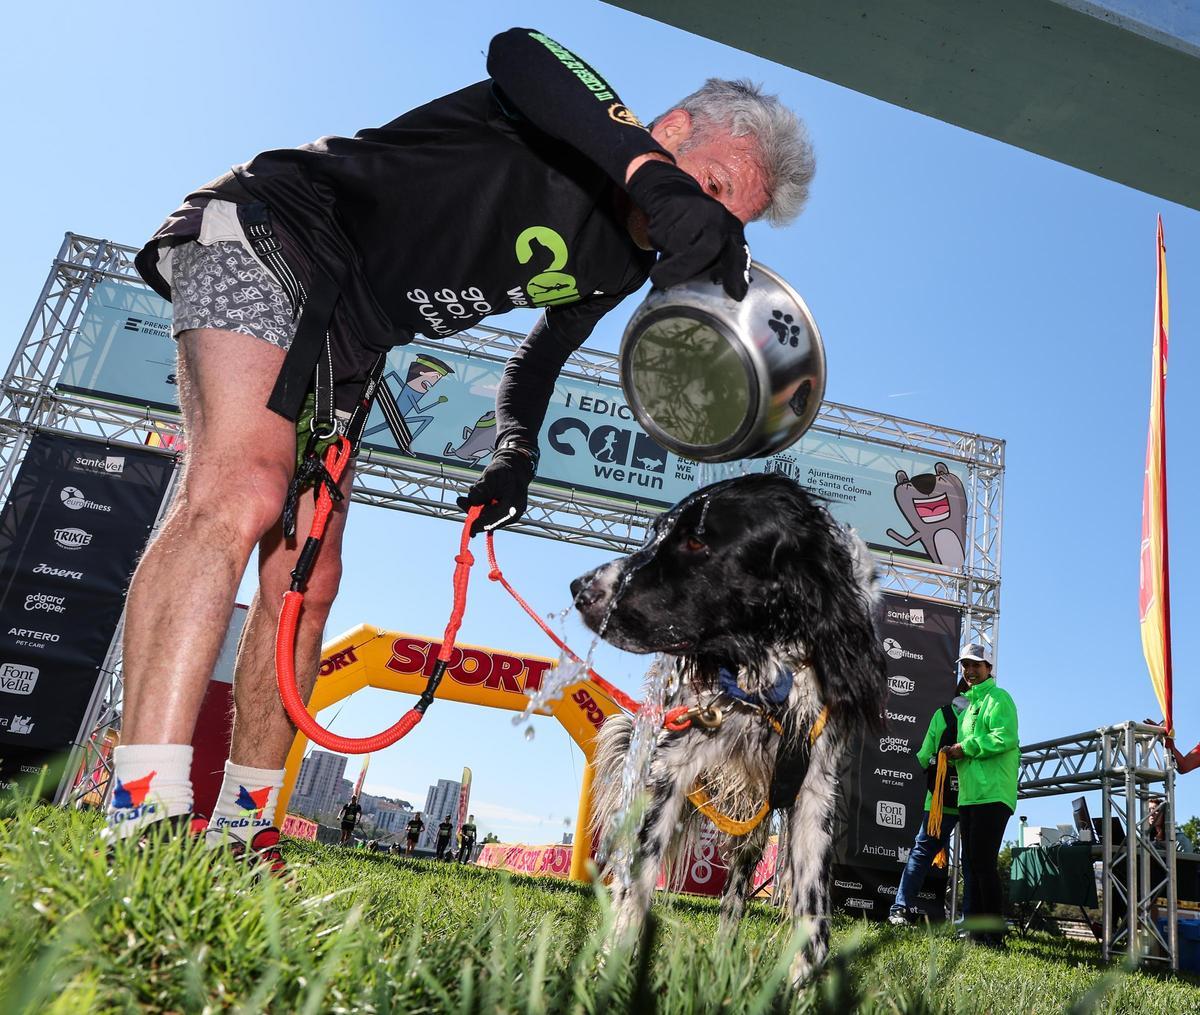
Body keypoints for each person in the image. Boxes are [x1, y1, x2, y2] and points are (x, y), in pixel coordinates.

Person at [101, 26, 815, 871]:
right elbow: (517, 48)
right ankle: (141, 803)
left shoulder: (621, 263)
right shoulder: (584, 117)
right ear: (672, 132)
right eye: (713, 188)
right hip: (274, 229)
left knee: (311, 578)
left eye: (722, 219)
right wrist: (653, 180)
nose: (692, 223)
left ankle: (244, 822)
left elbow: (539, 358)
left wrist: (514, 449)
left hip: (354, 334)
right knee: (244, 489)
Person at [944, 644, 1019, 947]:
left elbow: (1005, 738)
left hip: (994, 793)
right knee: (972, 863)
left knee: (984, 863)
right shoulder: (967, 707)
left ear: (989, 668)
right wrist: (953, 754)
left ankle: (995, 934)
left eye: (976, 665)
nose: (970, 671)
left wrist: (965, 748)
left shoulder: (1000, 698)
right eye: (966, 666)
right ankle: (975, 932)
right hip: (970, 795)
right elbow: (972, 746)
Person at [888, 680, 971, 926]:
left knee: (922, 853)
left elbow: (924, 755)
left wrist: (937, 763)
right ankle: (969, 918)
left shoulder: (942, 714)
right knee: (972, 860)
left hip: (938, 801)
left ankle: (900, 909)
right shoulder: (980, 714)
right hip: (972, 797)